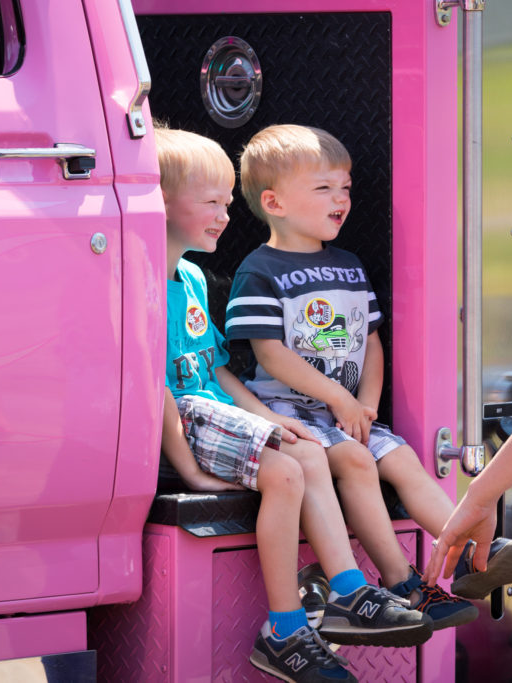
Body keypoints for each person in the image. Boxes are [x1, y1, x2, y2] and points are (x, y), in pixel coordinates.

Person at [224, 124, 512, 632]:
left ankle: (475, 550)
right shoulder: (259, 270)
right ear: (274, 202)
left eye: (345, 187)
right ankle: (403, 583)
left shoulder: (348, 265)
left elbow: (370, 341)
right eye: (323, 188)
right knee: (356, 461)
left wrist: (365, 403)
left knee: (405, 459)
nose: (340, 198)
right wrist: (341, 401)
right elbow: (272, 356)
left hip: (345, 410)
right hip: (293, 414)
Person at [156, 127, 433, 683]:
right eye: (210, 202)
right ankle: (286, 625)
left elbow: (217, 370)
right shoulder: (137, 280)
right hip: (183, 417)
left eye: (228, 202)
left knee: (305, 450)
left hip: (218, 406)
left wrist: (271, 418)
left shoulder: (188, 276)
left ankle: (349, 592)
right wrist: (187, 467)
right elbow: (153, 383)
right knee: (287, 474)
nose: (225, 215)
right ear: (158, 201)